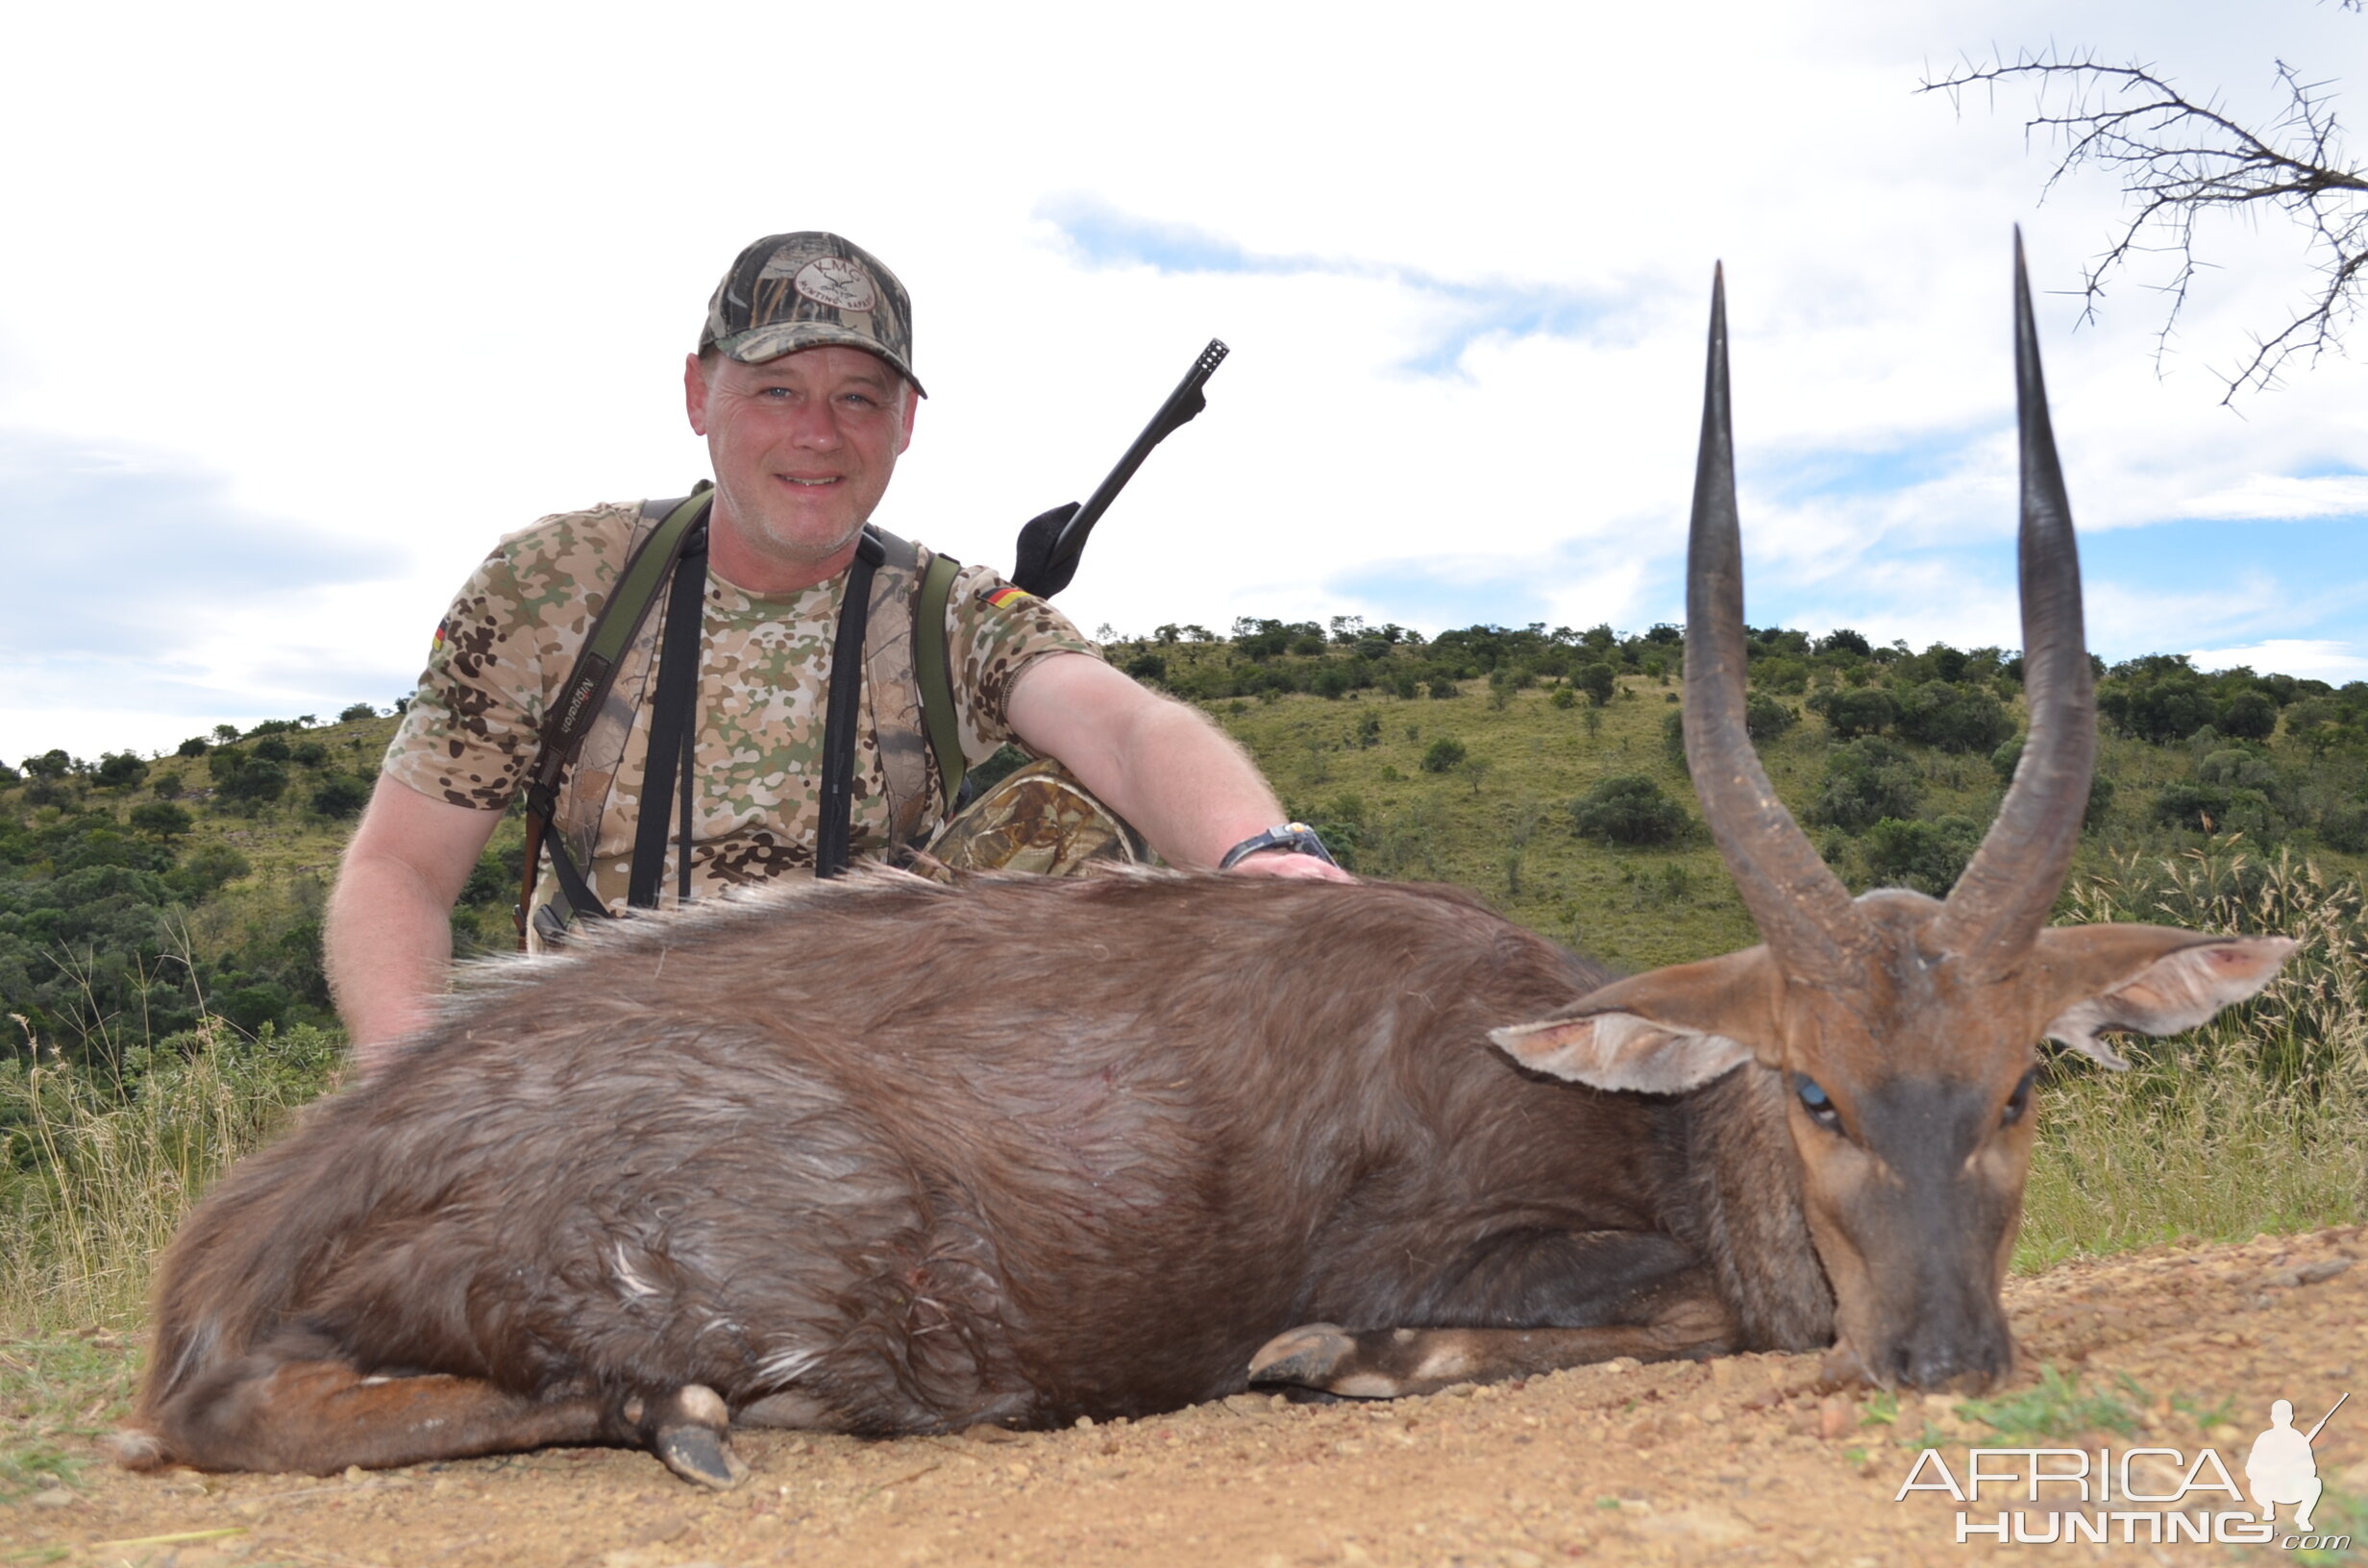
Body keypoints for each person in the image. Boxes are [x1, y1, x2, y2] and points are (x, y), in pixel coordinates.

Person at [324, 232, 1348, 1076]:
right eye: (776, 389)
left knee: (1064, 828)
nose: (819, 432)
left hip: (866, 1081)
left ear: (905, 423)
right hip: (600, 1072)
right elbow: (402, 869)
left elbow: (1124, 729)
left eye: (858, 397)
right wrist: (409, 1092)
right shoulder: (552, 586)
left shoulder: (949, 610)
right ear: (698, 394)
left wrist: (1261, 857)